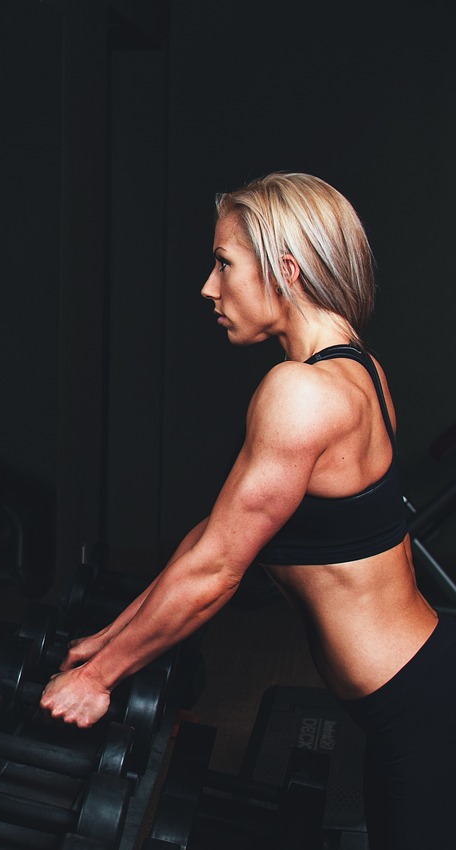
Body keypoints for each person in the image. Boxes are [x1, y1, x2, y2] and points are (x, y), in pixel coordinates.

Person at [39, 172, 455, 849]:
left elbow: (221, 570)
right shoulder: (361, 371)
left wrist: (100, 681)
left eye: (224, 263)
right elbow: (214, 536)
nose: (209, 286)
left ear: (285, 270)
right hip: (413, 692)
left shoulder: (301, 392)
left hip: (419, 707)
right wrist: (112, 640)